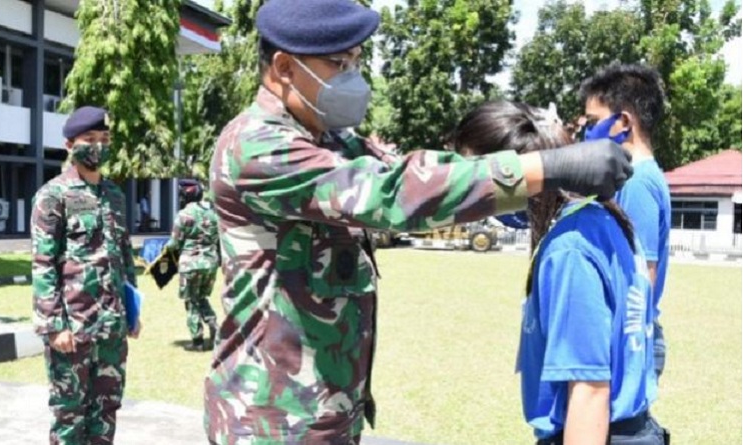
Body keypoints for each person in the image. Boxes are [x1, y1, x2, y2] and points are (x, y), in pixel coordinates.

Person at [205, 0, 633, 442]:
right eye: (339, 64)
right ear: (284, 68)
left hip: (324, 415)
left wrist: (521, 170)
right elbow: (392, 193)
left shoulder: (332, 139)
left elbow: (417, 170)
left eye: (356, 62)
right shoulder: (257, 147)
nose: (354, 76)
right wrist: (545, 167)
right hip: (268, 422)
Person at [453, 101, 667, 445]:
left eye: (478, 179)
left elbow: (590, 390)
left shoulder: (570, 247)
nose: (472, 194)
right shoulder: (599, 219)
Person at [31, 106, 140, 445]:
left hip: (111, 327)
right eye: (89, 139)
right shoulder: (53, 196)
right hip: (73, 327)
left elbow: (124, 257)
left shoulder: (114, 195)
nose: (97, 146)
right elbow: (43, 263)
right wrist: (54, 325)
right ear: (69, 145)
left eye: (104, 139)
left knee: (106, 412)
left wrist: (132, 311)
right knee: (69, 416)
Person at [581, 63, 671, 378]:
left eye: (592, 122)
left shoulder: (636, 182)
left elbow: (639, 278)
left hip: (628, 342)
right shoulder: (632, 177)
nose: (586, 133)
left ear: (623, 122)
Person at [164, 179, 221, 352]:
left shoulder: (184, 215)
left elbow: (174, 243)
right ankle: (213, 325)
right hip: (210, 263)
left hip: (190, 264)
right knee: (202, 298)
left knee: (191, 302)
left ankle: (197, 341)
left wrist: (164, 257)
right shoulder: (213, 213)